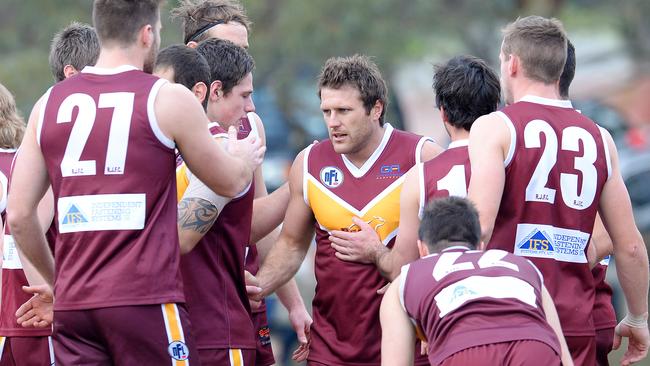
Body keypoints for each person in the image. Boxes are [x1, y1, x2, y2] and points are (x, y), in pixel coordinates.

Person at [7, 0, 264, 364]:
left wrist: (59, 284)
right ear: (147, 34)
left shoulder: (48, 103)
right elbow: (227, 182)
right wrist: (241, 160)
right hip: (145, 300)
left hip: (76, 308)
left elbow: (18, 215)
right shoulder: (166, 97)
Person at [468, 15, 649, 365]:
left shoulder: (495, 127)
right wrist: (638, 318)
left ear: (512, 63)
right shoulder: (600, 137)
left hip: (510, 319)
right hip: (575, 321)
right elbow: (629, 245)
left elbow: (479, 227)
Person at [249, 54, 442, 365]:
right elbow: (292, 244)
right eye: (326, 111)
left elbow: (448, 250)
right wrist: (259, 286)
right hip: (331, 349)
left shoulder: (422, 156)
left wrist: (382, 255)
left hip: (404, 347)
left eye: (343, 111)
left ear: (376, 108)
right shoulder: (310, 162)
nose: (332, 122)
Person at [172, 2, 311, 365]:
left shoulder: (249, 126)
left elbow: (255, 224)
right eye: (229, 48)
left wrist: (290, 302)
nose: (239, 58)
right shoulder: (159, 119)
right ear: (195, 54)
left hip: (233, 295)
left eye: (244, 51)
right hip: (175, 299)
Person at [328, 55, 500, 281]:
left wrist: (375, 250)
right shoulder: (517, 164)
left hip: (446, 306)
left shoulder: (421, 175)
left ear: (443, 113)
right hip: (518, 299)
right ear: (496, 109)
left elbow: (400, 269)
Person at [1, 22, 101, 365]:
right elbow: (21, 223)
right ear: (72, 73)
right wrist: (57, 294)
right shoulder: (53, 131)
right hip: (36, 316)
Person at [380, 196, 573, 366]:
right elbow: (564, 354)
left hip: (465, 349)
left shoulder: (406, 278)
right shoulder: (524, 267)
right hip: (535, 346)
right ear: (480, 246)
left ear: (422, 249)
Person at [559, 40, 618, 366]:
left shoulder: (586, 136)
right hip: (573, 310)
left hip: (584, 309)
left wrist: (556, 267)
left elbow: (606, 236)